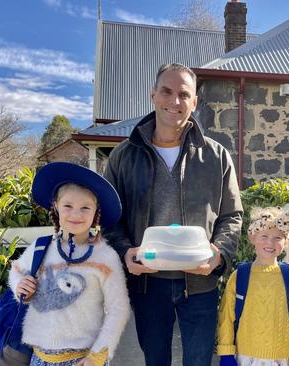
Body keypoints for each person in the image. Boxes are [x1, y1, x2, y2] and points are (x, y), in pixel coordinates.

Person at [103, 63, 243, 366]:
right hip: (148, 283)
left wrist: (218, 254)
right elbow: (109, 220)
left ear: (194, 103)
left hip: (200, 284)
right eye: (167, 91)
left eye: (184, 94)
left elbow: (232, 216)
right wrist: (125, 253)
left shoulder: (217, 156)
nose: (174, 101)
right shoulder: (123, 156)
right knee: (156, 360)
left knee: (199, 361)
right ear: (153, 95)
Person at [9, 162, 130, 366]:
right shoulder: (41, 248)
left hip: (84, 359)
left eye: (85, 207)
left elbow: (119, 308)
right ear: (55, 207)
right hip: (39, 358)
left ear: (96, 212)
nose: (76, 214)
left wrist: (98, 355)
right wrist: (19, 286)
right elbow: (16, 271)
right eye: (68, 206)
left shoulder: (106, 257)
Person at [216, 207, 289, 366]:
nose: (270, 242)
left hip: (281, 359)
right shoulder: (240, 276)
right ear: (253, 237)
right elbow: (226, 317)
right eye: (264, 236)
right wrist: (226, 353)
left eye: (277, 238)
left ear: (286, 242)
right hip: (245, 358)